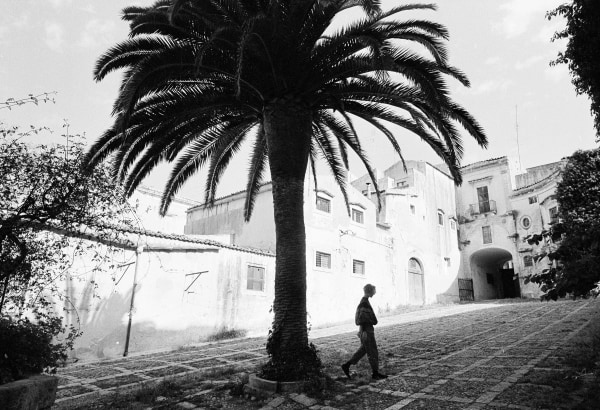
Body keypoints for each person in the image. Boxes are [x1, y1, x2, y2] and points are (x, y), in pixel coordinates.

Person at [341, 284, 388, 380]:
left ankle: (347, 365)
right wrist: (365, 330)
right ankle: (375, 373)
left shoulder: (364, 302)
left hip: (365, 330)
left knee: (364, 350)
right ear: (370, 291)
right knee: (373, 352)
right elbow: (362, 319)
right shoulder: (364, 303)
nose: (374, 293)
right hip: (367, 331)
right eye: (374, 291)